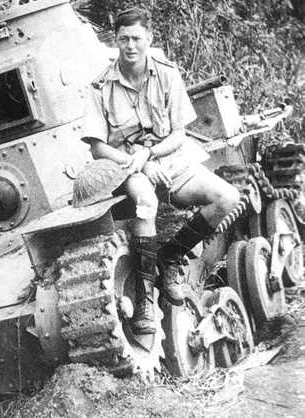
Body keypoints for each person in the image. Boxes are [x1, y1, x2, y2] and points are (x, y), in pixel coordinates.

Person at [80, 8, 240, 335]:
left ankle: (170, 258)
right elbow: (98, 147)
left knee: (227, 197)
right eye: (123, 38)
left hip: (168, 158)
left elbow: (179, 133)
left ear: (148, 39)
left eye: (136, 38)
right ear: (115, 40)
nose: (130, 46)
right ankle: (144, 299)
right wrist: (137, 162)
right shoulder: (100, 86)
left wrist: (150, 154)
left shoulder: (166, 73)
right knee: (145, 202)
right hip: (124, 166)